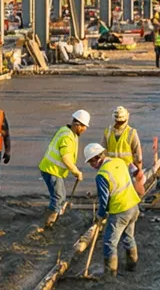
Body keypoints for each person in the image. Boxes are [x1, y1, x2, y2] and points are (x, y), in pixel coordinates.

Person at [90, 141, 144, 275]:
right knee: (128, 237)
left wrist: (100, 215)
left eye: (91, 162)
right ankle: (132, 265)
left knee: (109, 242)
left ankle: (110, 273)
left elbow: (104, 200)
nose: (92, 166)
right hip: (133, 205)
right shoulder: (119, 162)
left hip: (120, 211)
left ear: (97, 159)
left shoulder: (101, 175)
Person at [36, 108, 88, 215]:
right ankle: (49, 221)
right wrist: (76, 172)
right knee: (58, 197)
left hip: (53, 169)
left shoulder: (67, 131)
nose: (85, 129)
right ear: (77, 124)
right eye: (84, 127)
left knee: (61, 195)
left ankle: (56, 214)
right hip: (51, 170)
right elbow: (66, 159)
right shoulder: (67, 137)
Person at [103, 105, 144, 176]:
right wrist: (139, 170)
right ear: (127, 117)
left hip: (111, 170)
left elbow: (102, 152)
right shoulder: (131, 133)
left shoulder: (108, 132)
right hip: (127, 170)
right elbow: (139, 157)